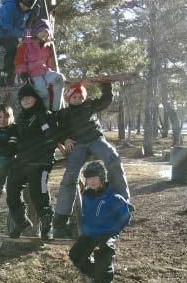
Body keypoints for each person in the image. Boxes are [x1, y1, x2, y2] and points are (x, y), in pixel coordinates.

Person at [53, 81, 132, 237]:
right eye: (74, 97)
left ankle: (123, 200)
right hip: (77, 145)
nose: (77, 99)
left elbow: (106, 100)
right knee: (71, 174)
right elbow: (56, 129)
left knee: (113, 157)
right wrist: (64, 139)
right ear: (68, 98)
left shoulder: (90, 106)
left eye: (80, 96)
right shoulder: (64, 113)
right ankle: (61, 218)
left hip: (96, 140)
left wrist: (106, 86)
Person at [69, 161, 131, 283]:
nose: (92, 182)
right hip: (90, 233)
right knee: (75, 255)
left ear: (102, 178)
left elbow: (125, 216)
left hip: (107, 233)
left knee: (104, 255)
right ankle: (97, 276)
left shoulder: (113, 197)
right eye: (89, 179)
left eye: (95, 178)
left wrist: (114, 230)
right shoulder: (86, 195)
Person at [6, 81, 60, 240]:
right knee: (11, 192)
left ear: (36, 98)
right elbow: (15, 136)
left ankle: (46, 228)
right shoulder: (21, 117)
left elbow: (51, 138)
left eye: (29, 97)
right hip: (22, 162)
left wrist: (44, 157)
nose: (26, 101)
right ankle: (22, 222)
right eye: (22, 99)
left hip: (40, 163)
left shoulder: (43, 115)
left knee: (39, 195)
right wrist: (10, 148)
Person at [14, 19, 65, 111]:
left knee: (59, 78)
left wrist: (51, 71)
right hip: (32, 74)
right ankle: (45, 114)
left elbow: (49, 63)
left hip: (45, 72)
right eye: (41, 30)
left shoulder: (47, 46)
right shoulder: (26, 44)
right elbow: (19, 61)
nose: (43, 33)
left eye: (46, 31)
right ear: (35, 32)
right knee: (43, 93)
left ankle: (56, 110)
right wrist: (23, 73)